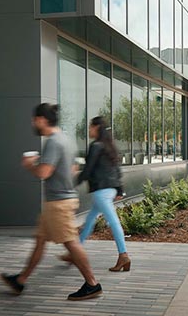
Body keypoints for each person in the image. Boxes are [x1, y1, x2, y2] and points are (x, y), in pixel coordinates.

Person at [0, 103, 102, 301]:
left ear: (42, 120)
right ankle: (20, 280)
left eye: (34, 119)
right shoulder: (66, 139)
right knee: (40, 241)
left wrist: (30, 165)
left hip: (59, 203)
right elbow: (72, 169)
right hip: (58, 201)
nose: (32, 122)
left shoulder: (53, 142)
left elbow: (44, 173)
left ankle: (92, 284)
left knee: (71, 243)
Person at [61, 116, 131, 272]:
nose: (89, 130)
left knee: (113, 221)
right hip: (110, 189)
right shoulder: (109, 146)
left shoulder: (96, 146)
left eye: (91, 127)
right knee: (90, 219)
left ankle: (123, 255)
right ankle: (74, 252)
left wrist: (72, 185)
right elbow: (116, 170)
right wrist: (119, 189)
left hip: (101, 191)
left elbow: (88, 170)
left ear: (97, 127)